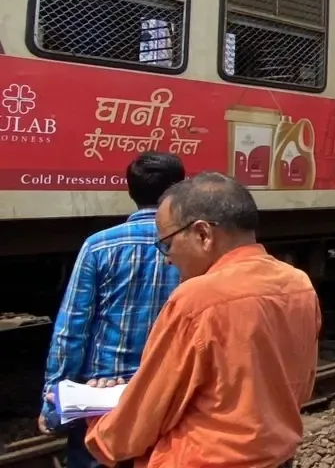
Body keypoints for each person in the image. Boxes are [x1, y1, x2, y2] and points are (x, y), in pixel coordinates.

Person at [82, 172, 320, 466]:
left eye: (166, 244)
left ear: (203, 234)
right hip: (275, 456)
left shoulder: (197, 299)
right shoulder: (298, 284)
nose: (167, 258)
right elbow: (302, 387)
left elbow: (147, 412)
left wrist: (97, 427)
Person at [39, 152, 186, 468]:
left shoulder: (99, 245)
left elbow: (71, 328)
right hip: (168, 393)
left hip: (101, 397)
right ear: (181, 189)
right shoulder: (195, 246)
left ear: (130, 191)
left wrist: (54, 400)